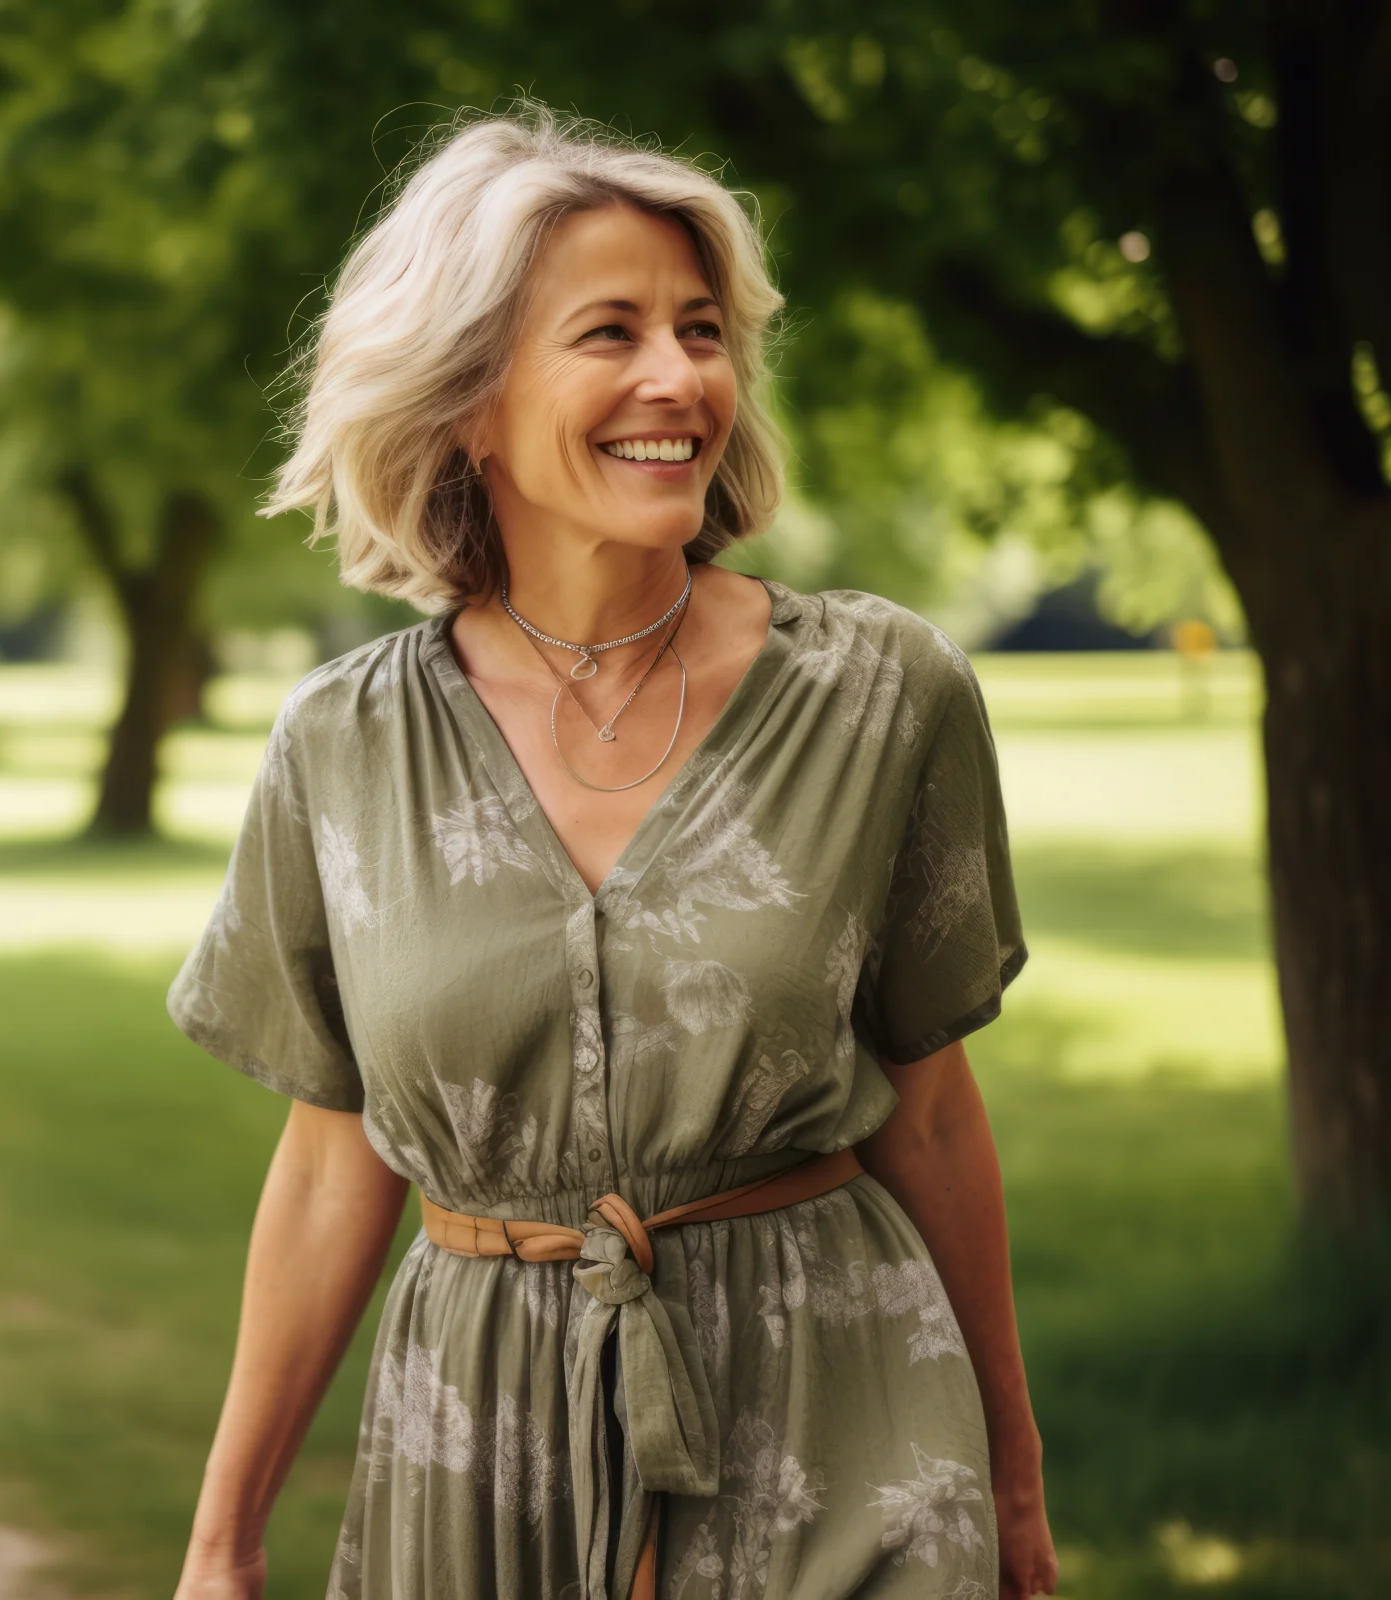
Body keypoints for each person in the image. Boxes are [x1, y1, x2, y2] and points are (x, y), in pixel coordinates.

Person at [164, 106, 1063, 1600]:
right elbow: (335, 1159)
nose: (679, 378)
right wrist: (222, 1538)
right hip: (478, 1454)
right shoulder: (343, 745)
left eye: (701, 330)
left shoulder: (883, 696)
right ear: (469, 401)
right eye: (611, 332)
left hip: (844, 1422)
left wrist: (1017, 1481)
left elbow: (932, 1111)